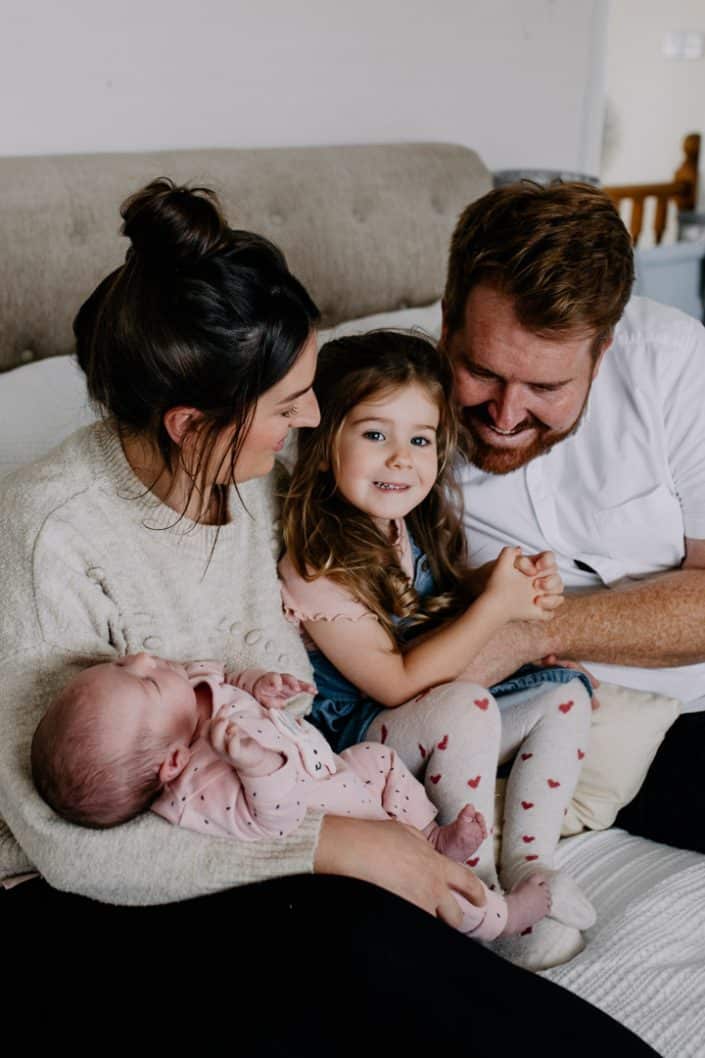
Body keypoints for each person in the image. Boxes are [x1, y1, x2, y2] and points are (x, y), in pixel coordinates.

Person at [0, 177, 656, 1057]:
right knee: (367, 956)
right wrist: (342, 845)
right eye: (288, 405)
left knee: (432, 965)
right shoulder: (50, 536)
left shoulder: (264, 486)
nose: (313, 418)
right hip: (99, 886)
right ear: (194, 424)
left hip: (280, 816)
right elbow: (75, 848)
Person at [279, 330, 596, 960]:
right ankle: (473, 895)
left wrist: (508, 586)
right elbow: (396, 682)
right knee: (464, 707)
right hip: (366, 742)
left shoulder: (402, 522)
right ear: (320, 447)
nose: (402, 459)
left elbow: (430, 606)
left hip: (427, 719)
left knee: (564, 693)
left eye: (420, 439)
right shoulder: (313, 564)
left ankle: (528, 865)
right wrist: (496, 609)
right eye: (375, 434)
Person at [442, 179, 705, 856]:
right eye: (481, 371)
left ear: (602, 350)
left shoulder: (676, 367)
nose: (504, 416)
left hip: (690, 712)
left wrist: (535, 632)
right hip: (530, 725)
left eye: (546, 388)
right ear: (447, 320)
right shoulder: (388, 410)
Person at [32, 653, 552, 940]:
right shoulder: (200, 790)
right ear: (171, 763)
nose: (143, 658)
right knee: (433, 895)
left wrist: (259, 683)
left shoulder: (185, 686)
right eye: (143, 681)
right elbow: (274, 822)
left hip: (341, 772)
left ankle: (434, 836)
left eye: (125, 664)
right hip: (335, 815)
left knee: (379, 759)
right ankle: (503, 919)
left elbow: (226, 674)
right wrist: (256, 766)